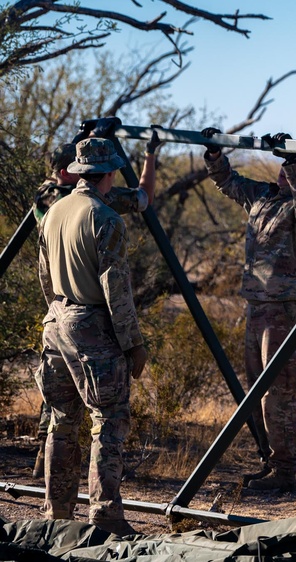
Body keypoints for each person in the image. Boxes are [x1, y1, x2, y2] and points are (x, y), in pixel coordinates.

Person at [200, 127, 296, 493]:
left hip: (285, 312)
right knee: (256, 391)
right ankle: (269, 463)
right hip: (256, 308)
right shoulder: (262, 196)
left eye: (294, 169)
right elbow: (227, 181)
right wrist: (213, 153)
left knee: (281, 393)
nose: (284, 173)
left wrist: (295, 160)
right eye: (283, 167)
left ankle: (286, 472)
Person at [35, 137, 149, 535]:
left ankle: (57, 516)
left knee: (62, 421)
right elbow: (116, 289)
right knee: (109, 421)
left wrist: (59, 313)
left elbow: (45, 278)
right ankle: (105, 518)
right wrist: (133, 342)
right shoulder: (105, 218)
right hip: (92, 329)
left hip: (56, 326)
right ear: (109, 173)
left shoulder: (53, 212)